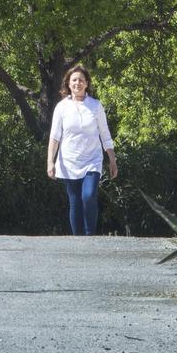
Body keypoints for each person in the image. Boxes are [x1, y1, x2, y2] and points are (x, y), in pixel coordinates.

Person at [46, 64, 118, 235]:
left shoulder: (95, 106)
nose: (77, 83)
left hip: (92, 160)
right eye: (74, 80)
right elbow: (55, 136)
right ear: (68, 84)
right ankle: (78, 242)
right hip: (69, 161)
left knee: (88, 195)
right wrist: (50, 161)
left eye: (81, 80)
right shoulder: (62, 107)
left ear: (86, 84)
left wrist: (112, 160)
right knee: (75, 201)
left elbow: (105, 134)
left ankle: (89, 236)